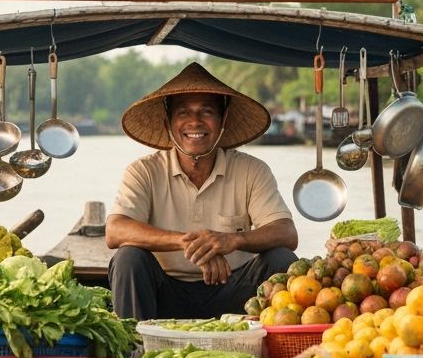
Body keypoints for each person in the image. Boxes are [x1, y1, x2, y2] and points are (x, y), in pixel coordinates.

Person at [106, 62, 298, 321]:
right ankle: (132, 350)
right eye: (184, 112)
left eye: (206, 112)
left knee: (281, 259)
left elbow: (287, 232)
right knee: (128, 258)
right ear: (168, 122)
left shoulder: (252, 170)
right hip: (165, 291)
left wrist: (231, 241)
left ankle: (277, 349)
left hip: (233, 292)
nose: (194, 121)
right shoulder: (144, 171)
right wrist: (194, 244)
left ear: (223, 121)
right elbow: (115, 230)